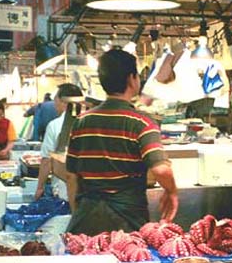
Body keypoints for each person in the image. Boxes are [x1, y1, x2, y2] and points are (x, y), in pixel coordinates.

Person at [66, 49, 178, 235]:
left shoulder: (81, 122)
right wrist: (171, 192)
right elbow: (161, 169)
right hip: (128, 223)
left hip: (86, 220)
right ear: (132, 79)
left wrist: (77, 213)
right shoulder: (142, 122)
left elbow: (71, 176)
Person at [35, 84, 84, 209]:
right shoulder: (90, 122)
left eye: (56, 99)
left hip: (64, 189)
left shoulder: (55, 125)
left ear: (64, 102)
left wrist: (40, 188)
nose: (54, 103)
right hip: (89, 190)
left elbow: (47, 160)